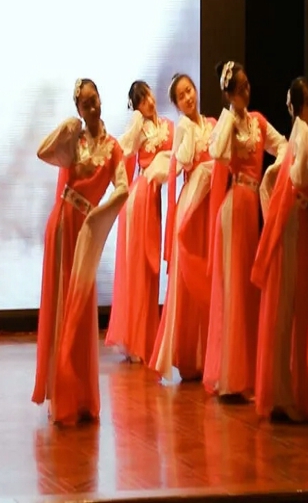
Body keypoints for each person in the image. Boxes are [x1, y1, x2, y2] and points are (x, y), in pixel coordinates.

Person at [32, 78, 129, 425]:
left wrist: (100, 216)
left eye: (94, 99)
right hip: (63, 225)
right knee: (63, 303)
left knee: (83, 307)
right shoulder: (75, 140)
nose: (92, 106)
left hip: (87, 228)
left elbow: (123, 187)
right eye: (84, 103)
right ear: (78, 108)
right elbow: (44, 152)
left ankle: (83, 395)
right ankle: (63, 395)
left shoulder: (113, 147)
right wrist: (67, 127)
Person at [251, 78, 308, 422]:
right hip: (293, 225)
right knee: (287, 305)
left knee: (302, 305)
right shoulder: (301, 135)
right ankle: (281, 393)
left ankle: (299, 389)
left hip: (305, 223)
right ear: (299, 108)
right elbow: (297, 177)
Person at [203, 61, 287, 399]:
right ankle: (231, 376)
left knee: (248, 288)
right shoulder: (229, 123)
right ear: (229, 94)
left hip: (252, 205)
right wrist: (228, 113)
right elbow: (217, 152)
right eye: (239, 90)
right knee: (234, 286)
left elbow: (283, 146)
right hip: (235, 205)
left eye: (247, 86)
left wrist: (272, 172)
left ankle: (247, 371)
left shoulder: (258, 122)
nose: (246, 93)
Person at [149, 74, 216, 382]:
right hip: (192, 201)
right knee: (188, 278)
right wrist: (187, 129)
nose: (188, 98)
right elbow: (186, 161)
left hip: (210, 202)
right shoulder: (183, 128)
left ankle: (209, 354)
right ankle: (188, 355)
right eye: (181, 96)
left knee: (209, 272)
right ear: (176, 104)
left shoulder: (212, 123)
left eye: (189, 91)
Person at [106, 80, 173, 364]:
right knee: (137, 266)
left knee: (150, 268)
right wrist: (135, 119)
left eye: (148, 95)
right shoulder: (140, 127)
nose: (149, 102)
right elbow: (124, 147)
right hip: (139, 196)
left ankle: (146, 338)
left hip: (153, 198)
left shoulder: (167, 125)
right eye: (141, 100)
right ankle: (135, 339)